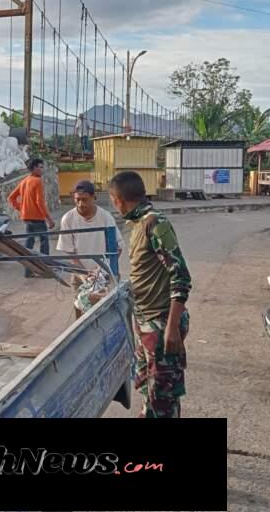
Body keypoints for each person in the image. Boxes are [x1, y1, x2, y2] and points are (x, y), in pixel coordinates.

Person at [109, 171, 192, 418]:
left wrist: (171, 327)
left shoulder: (155, 224)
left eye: (113, 200)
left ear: (119, 200)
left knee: (163, 397)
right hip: (146, 323)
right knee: (148, 387)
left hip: (161, 323)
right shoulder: (138, 222)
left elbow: (181, 277)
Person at [56, 180, 124, 316]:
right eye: (77, 200)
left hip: (106, 273)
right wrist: (84, 274)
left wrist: (100, 270)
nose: (81, 204)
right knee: (81, 315)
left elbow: (117, 248)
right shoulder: (68, 219)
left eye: (85, 200)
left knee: (108, 314)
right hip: (79, 274)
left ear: (94, 197)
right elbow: (70, 253)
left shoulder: (105, 217)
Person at [8, 158, 56, 278]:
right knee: (44, 242)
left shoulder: (24, 181)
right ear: (34, 168)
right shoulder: (37, 181)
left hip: (26, 218)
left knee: (29, 244)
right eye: (40, 167)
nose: (42, 169)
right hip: (37, 218)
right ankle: (45, 269)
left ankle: (28, 271)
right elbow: (39, 202)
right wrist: (49, 219)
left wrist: (22, 208)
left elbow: (11, 198)